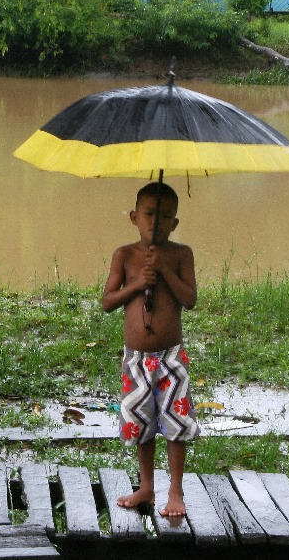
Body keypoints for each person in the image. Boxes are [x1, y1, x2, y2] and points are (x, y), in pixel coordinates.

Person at [101, 181, 200, 518]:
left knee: (175, 422)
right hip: (136, 359)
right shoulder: (124, 255)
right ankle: (146, 486)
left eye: (165, 217)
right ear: (133, 217)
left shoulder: (180, 254)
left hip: (171, 357)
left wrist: (165, 273)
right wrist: (138, 283)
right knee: (141, 420)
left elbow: (189, 300)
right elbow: (107, 302)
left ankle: (175, 489)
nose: (156, 222)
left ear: (175, 223)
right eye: (149, 214)